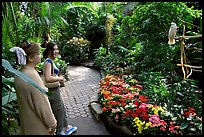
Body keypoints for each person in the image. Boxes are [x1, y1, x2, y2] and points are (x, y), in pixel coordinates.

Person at [13, 40, 57, 135]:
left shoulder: (18, 74)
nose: (41, 56)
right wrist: (52, 123)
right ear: (31, 58)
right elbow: (42, 103)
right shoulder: (32, 75)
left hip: (27, 125)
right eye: (39, 53)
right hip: (38, 127)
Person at [43, 41, 77, 135]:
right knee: (58, 110)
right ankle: (60, 131)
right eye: (54, 49)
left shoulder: (50, 61)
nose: (56, 51)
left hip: (55, 89)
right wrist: (60, 78)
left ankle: (65, 128)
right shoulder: (48, 62)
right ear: (49, 51)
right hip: (52, 90)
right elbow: (48, 78)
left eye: (57, 49)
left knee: (61, 109)